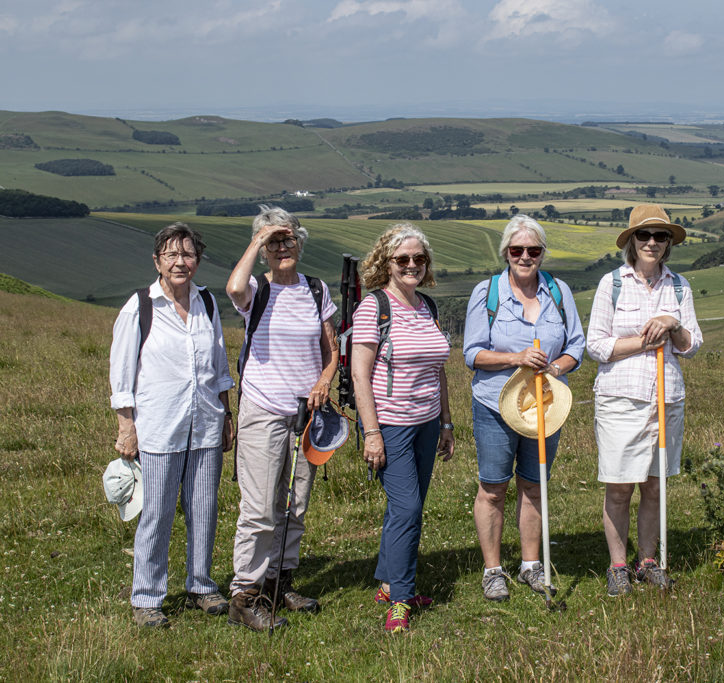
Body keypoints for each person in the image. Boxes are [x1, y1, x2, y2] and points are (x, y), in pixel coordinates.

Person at [109, 222, 235, 628]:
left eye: (188, 254)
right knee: (157, 514)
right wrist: (126, 428)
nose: (181, 262)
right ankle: (147, 597)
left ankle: (201, 585)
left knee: (204, 509)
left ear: (197, 260)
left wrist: (226, 413)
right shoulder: (140, 307)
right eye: (171, 255)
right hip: (159, 429)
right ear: (157, 261)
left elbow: (219, 368)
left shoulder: (207, 304)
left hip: (205, 427)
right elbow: (122, 375)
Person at [225, 205, 339, 631]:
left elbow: (331, 350)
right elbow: (233, 287)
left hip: (307, 413)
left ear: (300, 243)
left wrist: (325, 380)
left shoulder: (315, 289)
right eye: (274, 241)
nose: (282, 247)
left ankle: (279, 582)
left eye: (288, 239)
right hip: (264, 408)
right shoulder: (257, 289)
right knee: (259, 508)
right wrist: (257, 239)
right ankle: (245, 596)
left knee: (296, 503)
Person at [463, 215, 585, 601]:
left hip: (546, 407)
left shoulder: (559, 291)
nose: (525, 256)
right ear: (506, 253)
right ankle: (493, 570)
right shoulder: (488, 293)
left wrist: (556, 366)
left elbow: (576, 347)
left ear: (542, 253)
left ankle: (531, 565)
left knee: (534, 485)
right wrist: (516, 357)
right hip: (496, 404)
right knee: (494, 488)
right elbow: (472, 354)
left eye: (533, 250)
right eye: (517, 250)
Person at [586, 204, 702, 596]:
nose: (652, 243)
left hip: (666, 400)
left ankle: (648, 561)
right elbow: (596, 345)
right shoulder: (612, 284)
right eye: (644, 236)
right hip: (622, 399)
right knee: (620, 485)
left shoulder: (680, 287)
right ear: (631, 242)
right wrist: (645, 341)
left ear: (669, 243)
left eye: (660, 236)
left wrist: (673, 323)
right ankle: (618, 565)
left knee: (655, 485)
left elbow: (691, 345)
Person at [351, 223, 455, 633]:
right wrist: (372, 432)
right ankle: (402, 598)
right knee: (409, 508)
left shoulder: (425, 306)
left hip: (427, 423)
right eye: (403, 259)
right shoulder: (373, 308)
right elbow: (361, 375)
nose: (412, 265)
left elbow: (438, 370)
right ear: (386, 263)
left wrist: (447, 422)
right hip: (390, 426)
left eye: (419, 259)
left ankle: (387, 581)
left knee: (404, 509)